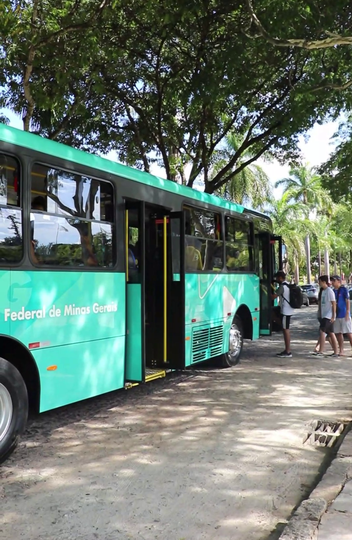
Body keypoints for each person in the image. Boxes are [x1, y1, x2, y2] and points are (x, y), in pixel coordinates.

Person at [271, 270, 294, 358]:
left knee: (286, 330)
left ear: (280, 278)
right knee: (285, 328)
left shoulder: (282, 287)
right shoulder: (287, 285)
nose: (276, 279)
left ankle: (288, 351)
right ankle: (287, 350)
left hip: (285, 311)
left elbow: (274, 297)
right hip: (288, 310)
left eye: (277, 277)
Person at [315, 275, 339, 357]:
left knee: (322, 332)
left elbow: (334, 304)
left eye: (320, 282)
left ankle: (320, 351)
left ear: (324, 282)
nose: (319, 283)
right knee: (331, 333)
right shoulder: (323, 291)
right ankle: (336, 352)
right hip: (324, 315)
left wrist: (333, 316)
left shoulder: (329, 291)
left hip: (328, 316)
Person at [331, 275, 352, 356]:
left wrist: (347, 312)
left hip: (344, 314)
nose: (333, 282)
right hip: (337, 315)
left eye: (334, 281)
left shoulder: (344, 289)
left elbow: (347, 301)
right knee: (338, 333)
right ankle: (341, 350)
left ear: (338, 281)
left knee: (349, 333)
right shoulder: (333, 291)